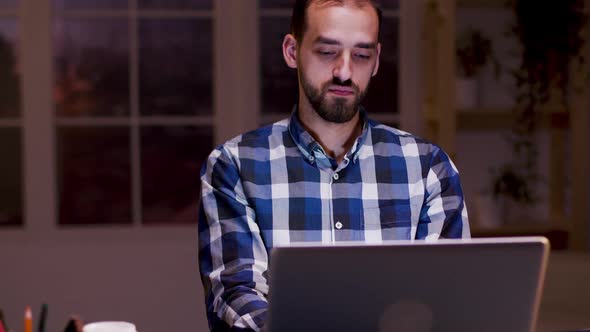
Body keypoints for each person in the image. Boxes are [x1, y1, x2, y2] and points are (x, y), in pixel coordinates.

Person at [198, 0, 470, 330]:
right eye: (327, 52)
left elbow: (445, 297)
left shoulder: (428, 166)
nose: (344, 71)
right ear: (291, 50)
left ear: (377, 61)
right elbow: (237, 294)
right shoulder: (234, 165)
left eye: (361, 55)